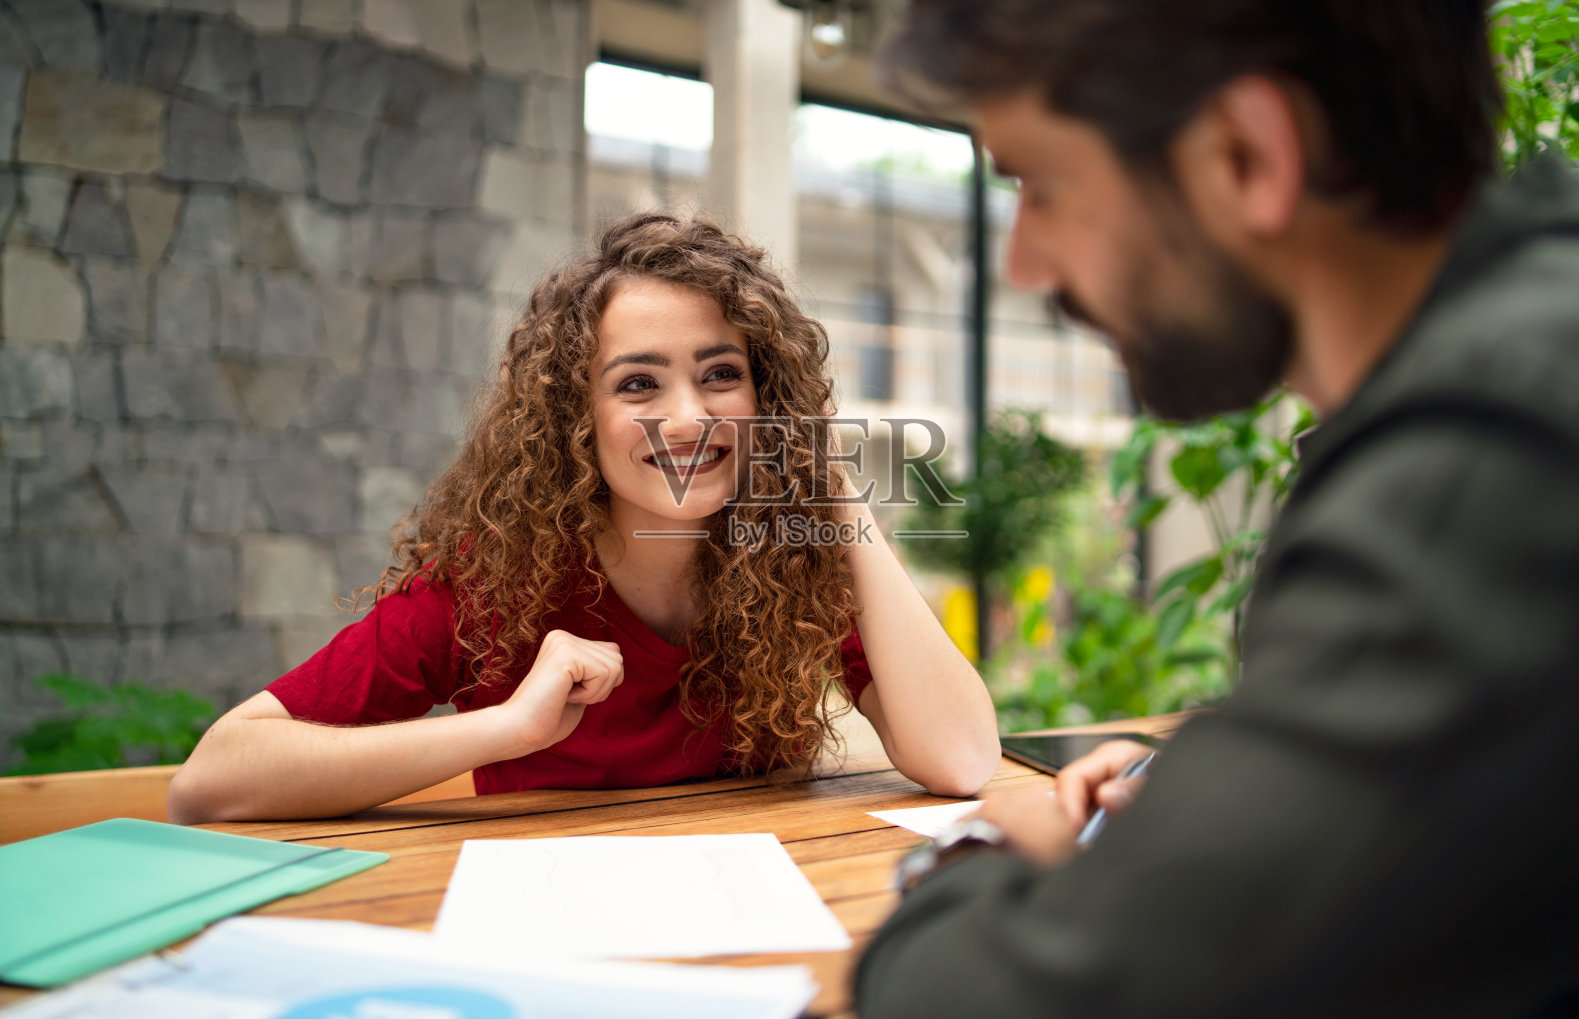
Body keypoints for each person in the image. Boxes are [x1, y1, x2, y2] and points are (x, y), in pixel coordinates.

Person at [855, 0, 1579, 1015]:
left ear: (1247, 155)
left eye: (1043, 187)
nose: (1024, 263)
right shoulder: (1530, 336)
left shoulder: (1495, 451)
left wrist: (968, 859)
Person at [168, 214, 999, 824]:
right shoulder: (495, 583)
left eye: (720, 374)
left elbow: (961, 759)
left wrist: (830, 485)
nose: (688, 418)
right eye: (639, 384)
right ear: (576, 415)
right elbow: (213, 777)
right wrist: (504, 729)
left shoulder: (791, 564)